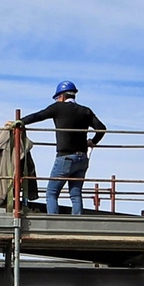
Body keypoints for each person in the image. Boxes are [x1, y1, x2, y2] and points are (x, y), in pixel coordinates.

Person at [19, 82, 106, 215]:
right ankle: (77, 223)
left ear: (61, 96)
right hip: (82, 158)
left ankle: (53, 222)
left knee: (52, 193)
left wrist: (20, 122)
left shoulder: (58, 108)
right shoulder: (85, 111)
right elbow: (101, 129)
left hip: (65, 157)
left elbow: (38, 116)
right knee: (76, 194)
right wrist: (93, 142)